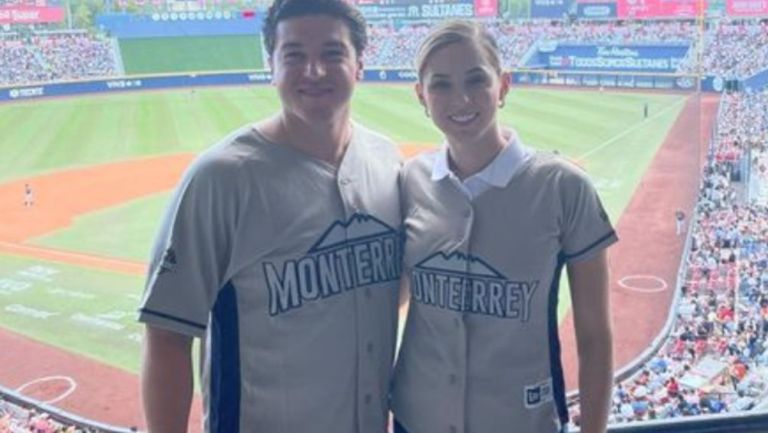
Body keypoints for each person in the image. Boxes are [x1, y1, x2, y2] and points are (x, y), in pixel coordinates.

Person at [138, 1, 403, 432]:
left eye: (333, 53)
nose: (314, 70)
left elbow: (383, 291)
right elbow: (166, 336)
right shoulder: (221, 178)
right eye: (294, 54)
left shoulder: (387, 161)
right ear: (271, 66)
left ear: (360, 65)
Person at [391, 20, 617, 433]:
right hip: (416, 418)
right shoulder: (409, 180)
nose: (461, 98)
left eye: (477, 79)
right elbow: (396, 296)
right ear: (421, 95)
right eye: (440, 84)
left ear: (504, 85)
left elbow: (596, 337)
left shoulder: (563, 186)